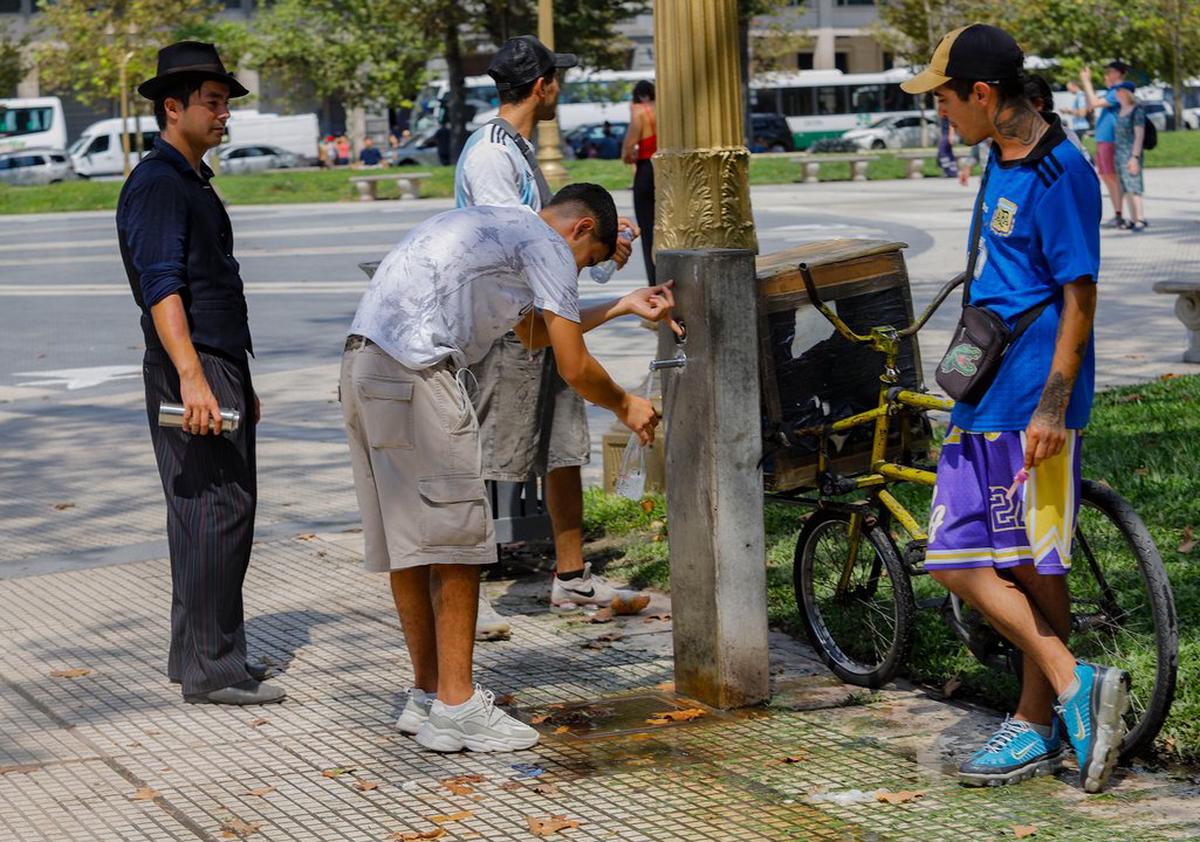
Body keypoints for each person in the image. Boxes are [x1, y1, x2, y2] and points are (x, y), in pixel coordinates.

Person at [340, 186, 680, 752]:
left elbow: (533, 334)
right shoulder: (548, 246)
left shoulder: (503, 228)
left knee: (412, 545)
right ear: (581, 229)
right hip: (418, 373)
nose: (578, 271)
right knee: (459, 542)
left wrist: (620, 305)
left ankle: (427, 695)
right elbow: (573, 366)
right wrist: (626, 404)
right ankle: (458, 709)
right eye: (590, 259)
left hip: (365, 366)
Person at [902, 23, 1126, 794]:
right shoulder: (1000, 156)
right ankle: (1071, 680)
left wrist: (1053, 408)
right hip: (985, 389)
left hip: (1032, 401)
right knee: (955, 558)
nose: (940, 112)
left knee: (1033, 561)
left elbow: (1079, 299)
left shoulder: (1061, 172)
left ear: (982, 93)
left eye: (944, 99)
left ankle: (1036, 722)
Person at [454, 34, 642, 641]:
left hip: (540, 314)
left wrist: (601, 249)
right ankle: (463, 593)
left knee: (563, 448)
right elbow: (515, 246)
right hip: (508, 325)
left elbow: (550, 241)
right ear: (542, 86)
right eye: (556, 78)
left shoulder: (517, 148)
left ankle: (571, 576)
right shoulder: (491, 154)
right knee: (488, 456)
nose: (560, 87)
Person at [116, 42, 285, 707]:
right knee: (218, 510)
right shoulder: (159, 183)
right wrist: (193, 377)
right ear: (173, 107)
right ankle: (213, 669)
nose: (224, 114)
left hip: (216, 362)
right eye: (212, 102)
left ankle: (199, 653)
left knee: (204, 511)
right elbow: (162, 287)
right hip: (193, 364)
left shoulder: (188, 178)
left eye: (224, 103)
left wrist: (238, 377)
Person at [1079, 62, 1128, 227]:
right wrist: (1087, 86)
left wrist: (1086, 81)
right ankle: (1117, 212)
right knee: (1106, 176)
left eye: (1109, 71)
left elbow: (1094, 103)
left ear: (1118, 73)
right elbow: (1090, 105)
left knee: (1112, 177)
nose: (1106, 74)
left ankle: (1119, 214)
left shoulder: (1119, 91)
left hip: (1110, 139)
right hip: (1103, 139)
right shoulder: (1111, 91)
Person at [621, 79, 657, 284]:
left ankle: (654, 278)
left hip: (646, 168)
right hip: (667, 168)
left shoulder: (639, 111)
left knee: (648, 227)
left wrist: (626, 156)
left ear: (640, 96)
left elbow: (629, 143)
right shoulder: (664, 108)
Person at [1113, 81, 1147, 231]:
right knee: (1126, 187)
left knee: (1134, 186)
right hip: (1119, 154)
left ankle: (1140, 218)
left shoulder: (1137, 110)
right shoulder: (1120, 109)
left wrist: (1135, 157)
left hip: (1131, 153)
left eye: (1119, 90)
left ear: (1127, 93)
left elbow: (1139, 135)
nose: (1117, 93)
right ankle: (1133, 219)